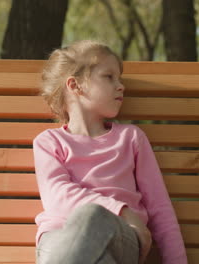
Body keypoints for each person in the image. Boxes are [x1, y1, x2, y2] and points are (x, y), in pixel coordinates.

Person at [33, 39, 188, 264]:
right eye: (109, 77)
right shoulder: (48, 142)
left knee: (93, 216)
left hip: (121, 237)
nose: (120, 85)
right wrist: (124, 211)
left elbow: (160, 209)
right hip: (58, 239)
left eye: (120, 78)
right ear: (75, 85)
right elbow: (57, 197)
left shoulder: (131, 138)